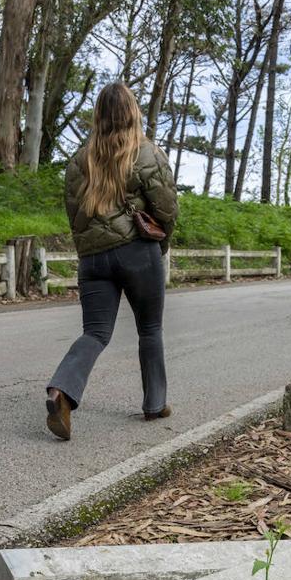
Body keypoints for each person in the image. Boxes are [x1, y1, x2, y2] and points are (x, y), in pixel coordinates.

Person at [45, 83, 178, 441]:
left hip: (93, 260)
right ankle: (155, 403)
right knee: (149, 329)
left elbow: (74, 215)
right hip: (137, 252)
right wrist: (160, 245)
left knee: (95, 333)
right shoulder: (147, 152)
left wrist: (89, 252)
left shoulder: (78, 160)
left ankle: (62, 391)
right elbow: (166, 207)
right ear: (133, 111)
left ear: (98, 115)